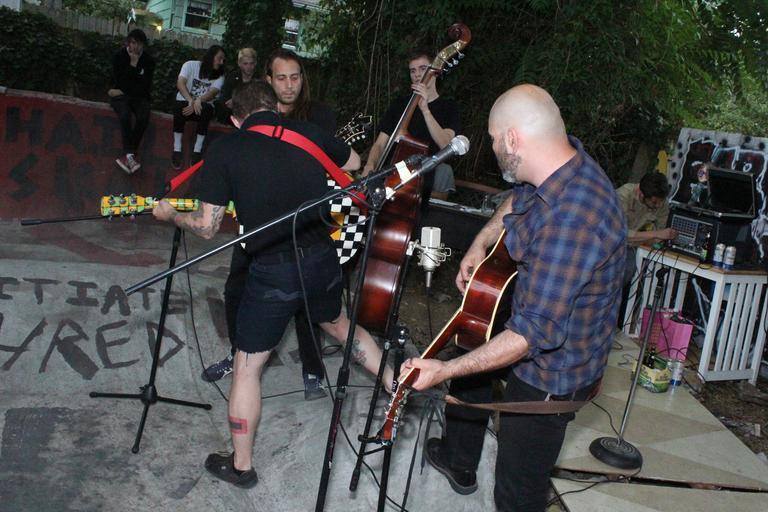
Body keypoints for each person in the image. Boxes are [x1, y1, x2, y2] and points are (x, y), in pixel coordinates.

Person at [152, 80, 394, 488]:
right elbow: (353, 161)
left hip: (273, 271)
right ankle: (397, 383)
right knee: (341, 327)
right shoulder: (308, 133)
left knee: (247, 367)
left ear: (236, 119)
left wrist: (171, 215)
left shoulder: (226, 148)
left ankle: (241, 467)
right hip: (321, 259)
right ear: (275, 107)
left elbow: (207, 227)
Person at [401, 85, 626, 511]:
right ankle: (459, 459)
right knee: (474, 348)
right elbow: (518, 199)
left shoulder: (574, 218)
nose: (490, 147)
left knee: (516, 492)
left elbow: (530, 335)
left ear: (512, 139)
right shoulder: (558, 162)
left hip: (550, 375)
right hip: (535, 323)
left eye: (491, 138)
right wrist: (481, 242)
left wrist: (443, 370)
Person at [202, 49, 337, 401]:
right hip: (256, 228)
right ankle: (240, 355)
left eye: (295, 77)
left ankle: (312, 369)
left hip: (304, 229)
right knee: (236, 289)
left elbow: (339, 163)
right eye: (281, 78)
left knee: (308, 302)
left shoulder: (317, 117)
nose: (289, 85)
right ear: (268, 81)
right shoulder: (252, 112)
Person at [363, 51, 461, 201]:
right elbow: (380, 144)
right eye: (413, 71)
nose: (417, 75)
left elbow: (446, 144)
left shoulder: (449, 107)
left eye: (423, 69)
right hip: (390, 176)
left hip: (423, 182)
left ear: (435, 71)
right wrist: (370, 165)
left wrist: (425, 110)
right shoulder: (399, 104)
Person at [616, 171, 676, 285]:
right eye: (654, 202)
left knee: (637, 270)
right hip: (609, 243)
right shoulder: (623, 196)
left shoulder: (660, 202)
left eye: (661, 201)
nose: (658, 205)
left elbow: (661, 235)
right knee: (626, 269)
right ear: (641, 194)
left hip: (631, 246)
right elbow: (618, 234)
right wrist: (656, 234)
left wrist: (663, 237)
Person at [108, 28, 155, 175]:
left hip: (138, 97)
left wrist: (122, 90)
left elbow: (144, 86)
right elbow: (120, 81)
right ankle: (130, 156)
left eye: (139, 43)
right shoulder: (119, 56)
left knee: (143, 116)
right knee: (125, 114)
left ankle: (128, 156)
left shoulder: (148, 60)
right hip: (121, 98)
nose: (135, 46)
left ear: (143, 45)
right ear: (128, 43)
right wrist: (133, 65)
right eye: (133, 42)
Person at [172, 45, 225, 170]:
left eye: (223, 60)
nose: (221, 62)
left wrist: (198, 101)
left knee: (206, 109)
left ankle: (197, 150)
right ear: (211, 57)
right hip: (186, 102)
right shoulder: (190, 65)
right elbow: (180, 83)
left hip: (203, 107)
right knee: (179, 106)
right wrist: (191, 100)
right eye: (219, 58)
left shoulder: (220, 75)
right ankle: (176, 148)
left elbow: (212, 93)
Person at [216, 47, 257, 124]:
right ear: (239, 63)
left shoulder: (259, 78)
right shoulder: (232, 76)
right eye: (245, 64)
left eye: (251, 63)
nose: (249, 67)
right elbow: (225, 98)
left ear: (255, 63)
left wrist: (236, 101)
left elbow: (258, 99)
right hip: (231, 114)